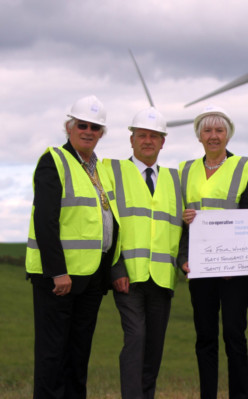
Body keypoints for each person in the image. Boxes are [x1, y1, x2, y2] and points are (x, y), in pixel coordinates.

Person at [25, 95, 121, 399]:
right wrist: (57, 272)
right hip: (60, 279)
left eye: (96, 127)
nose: (88, 131)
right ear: (70, 127)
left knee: (78, 356)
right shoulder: (54, 160)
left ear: (102, 133)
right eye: (83, 125)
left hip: (91, 278)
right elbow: (45, 221)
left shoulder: (99, 169)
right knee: (52, 356)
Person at [178, 105, 248, 399]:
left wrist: (233, 262)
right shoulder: (185, 170)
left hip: (235, 270)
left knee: (234, 335)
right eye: (208, 131)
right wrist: (183, 258)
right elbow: (178, 222)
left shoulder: (247, 167)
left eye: (219, 130)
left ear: (228, 135)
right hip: (200, 267)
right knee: (205, 337)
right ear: (199, 136)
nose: (214, 136)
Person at [104, 107, 183, 399]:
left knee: (154, 346)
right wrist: (116, 269)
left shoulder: (175, 180)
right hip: (128, 276)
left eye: (154, 136)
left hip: (162, 279)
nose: (147, 141)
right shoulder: (112, 171)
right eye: (142, 135)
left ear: (163, 142)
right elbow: (107, 223)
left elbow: (184, 226)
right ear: (131, 139)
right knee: (135, 338)